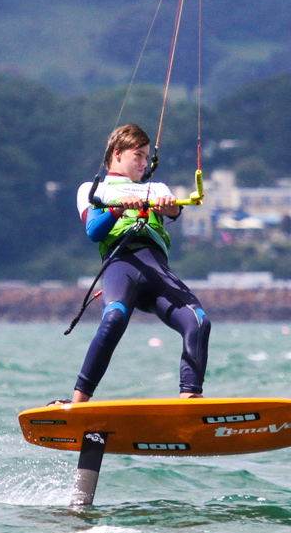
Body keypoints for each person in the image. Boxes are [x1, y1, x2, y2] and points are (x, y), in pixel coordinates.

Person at [68, 124, 210, 402]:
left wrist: (168, 205)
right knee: (115, 317)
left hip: (157, 272)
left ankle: (190, 400)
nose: (145, 163)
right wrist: (118, 207)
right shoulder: (93, 188)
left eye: (147, 157)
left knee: (199, 321)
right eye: (139, 155)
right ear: (117, 154)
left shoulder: (156, 188)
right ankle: (79, 402)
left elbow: (174, 209)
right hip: (121, 268)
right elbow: (94, 232)